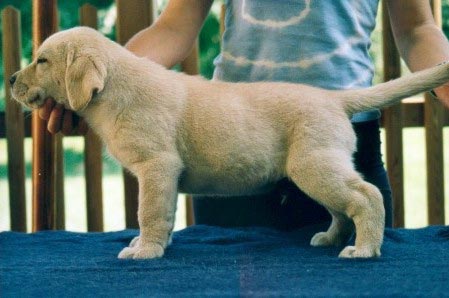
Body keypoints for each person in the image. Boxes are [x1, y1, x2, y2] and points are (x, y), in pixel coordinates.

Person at [39, 0, 449, 229]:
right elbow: (174, 27)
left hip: (340, 138)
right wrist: (108, 81)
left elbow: (416, 28)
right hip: (229, 140)